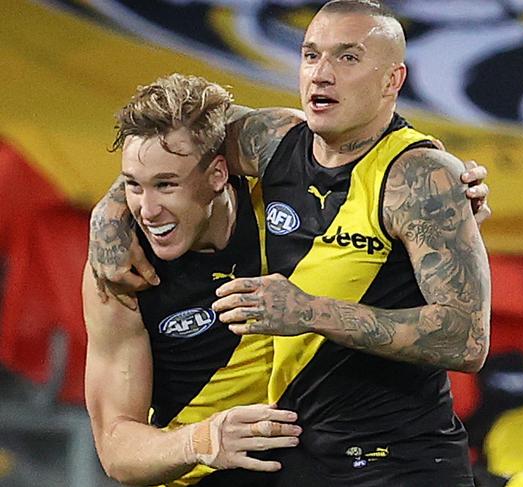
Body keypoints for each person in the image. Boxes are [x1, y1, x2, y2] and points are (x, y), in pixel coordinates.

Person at [88, 2, 491, 485]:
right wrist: (108, 212)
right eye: (310, 55)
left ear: (393, 80)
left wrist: (307, 312)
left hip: (404, 462)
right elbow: (175, 140)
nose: (321, 74)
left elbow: (467, 339)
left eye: (347, 58)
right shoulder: (273, 141)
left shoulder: (420, 178)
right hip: (307, 463)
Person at [82, 74, 302, 487]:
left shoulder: (282, 203)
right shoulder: (119, 275)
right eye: (132, 185)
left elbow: (352, 154)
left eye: (166, 185)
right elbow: (115, 446)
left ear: (218, 174)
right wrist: (203, 440)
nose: (146, 210)